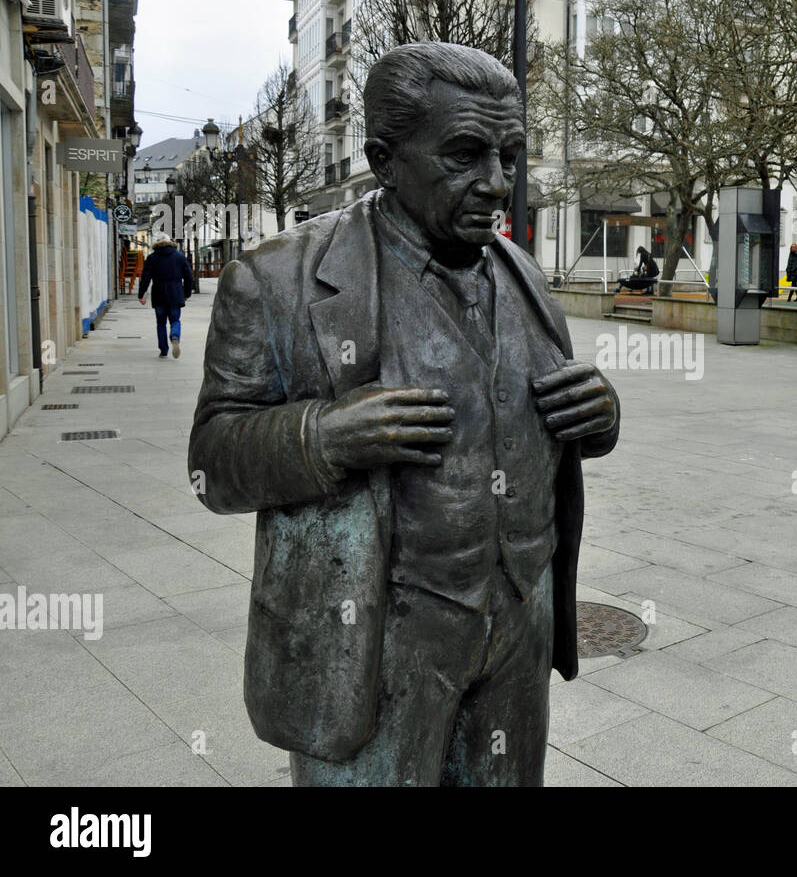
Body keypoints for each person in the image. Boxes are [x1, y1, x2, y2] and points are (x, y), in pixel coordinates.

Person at [188, 42, 620, 786]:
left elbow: (552, 422)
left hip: (518, 623)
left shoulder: (526, 279)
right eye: (465, 154)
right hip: (374, 635)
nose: (497, 183)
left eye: (509, 156)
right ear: (386, 160)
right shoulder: (275, 282)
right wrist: (323, 435)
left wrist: (601, 415)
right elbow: (210, 463)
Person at [137, 231, 195, 359]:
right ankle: (174, 336)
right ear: (170, 243)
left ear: (156, 244)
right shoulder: (179, 257)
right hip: (175, 294)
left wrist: (141, 294)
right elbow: (189, 277)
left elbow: (145, 277)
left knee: (161, 323)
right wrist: (187, 293)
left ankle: (163, 350)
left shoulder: (152, 258)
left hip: (159, 295)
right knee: (175, 320)